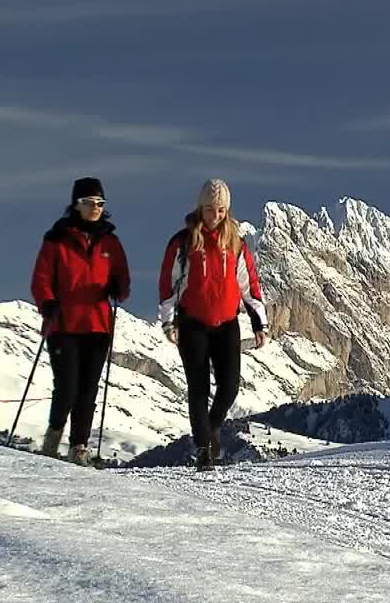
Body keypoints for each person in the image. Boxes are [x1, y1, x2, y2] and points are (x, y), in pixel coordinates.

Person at [158, 179, 267, 470]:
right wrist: (169, 322)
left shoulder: (236, 244)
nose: (214, 215)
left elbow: (248, 286)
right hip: (193, 322)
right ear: (200, 207)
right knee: (198, 386)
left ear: (227, 210)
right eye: (209, 209)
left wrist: (260, 323)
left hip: (227, 323)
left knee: (229, 387)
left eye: (220, 210)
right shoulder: (183, 242)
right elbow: (168, 284)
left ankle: (212, 426)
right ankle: (204, 449)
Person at [30, 177, 131, 465]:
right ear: (77, 205)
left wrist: (117, 289)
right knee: (67, 385)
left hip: (98, 325)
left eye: (100, 203)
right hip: (63, 324)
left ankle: (79, 447)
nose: (95, 208)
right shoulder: (57, 239)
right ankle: (52, 440)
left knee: (88, 388)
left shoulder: (110, 242)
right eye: (89, 203)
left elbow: (122, 278)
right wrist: (47, 303)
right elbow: (41, 278)